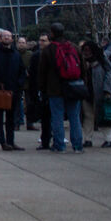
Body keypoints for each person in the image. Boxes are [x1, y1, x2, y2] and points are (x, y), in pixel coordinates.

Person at [39, 22, 83, 153]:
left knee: (57, 117)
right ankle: (77, 145)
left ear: (52, 33)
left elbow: (42, 72)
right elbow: (82, 67)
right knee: (74, 117)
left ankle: (59, 145)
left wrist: (42, 89)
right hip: (73, 87)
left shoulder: (48, 50)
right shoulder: (74, 47)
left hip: (55, 89)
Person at [0, 30, 24, 150]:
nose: (7, 38)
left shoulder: (16, 54)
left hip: (13, 90)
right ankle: (2, 141)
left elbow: (22, 70)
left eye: (9, 36)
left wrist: (19, 83)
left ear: (12, 39)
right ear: (0, 38)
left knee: (11, 117)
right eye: (4, 36)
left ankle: (11, 141)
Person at [79, 40, 111, 149]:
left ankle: (108, 139)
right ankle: (88, 139)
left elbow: (110, 72)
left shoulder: (102, 59)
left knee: (103, 117)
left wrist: (107, 89)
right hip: (87, 93)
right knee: (87, 116)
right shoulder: (82, 61)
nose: (86, 53)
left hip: (100, 92)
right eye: (85, 51)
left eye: (88, 50)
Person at [29, 32, 52, 148]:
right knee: (45, 117)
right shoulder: (36, 56)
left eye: (44, 40)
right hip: (41, 89)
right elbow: (32, 74)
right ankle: (45, 140)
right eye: (40, 40)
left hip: (51, 89)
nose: (41, 42)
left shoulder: (53, 54)